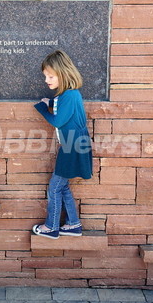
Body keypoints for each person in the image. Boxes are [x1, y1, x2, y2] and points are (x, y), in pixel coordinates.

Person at [32, 50, 93, 239]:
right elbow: (63, 108)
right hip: (73, 144)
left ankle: (51, 227)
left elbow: (58, 121)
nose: (46, 80)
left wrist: (43, 108)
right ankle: (73, 224)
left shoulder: (70, 95)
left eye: (50, 76)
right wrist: (50, 102)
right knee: (63, 186)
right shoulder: (69, 95)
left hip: (72, 147)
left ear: (63, 74)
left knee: (55, 187)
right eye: (45, 76)